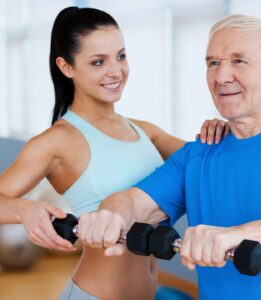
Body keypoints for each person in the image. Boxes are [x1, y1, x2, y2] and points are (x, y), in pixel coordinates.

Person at [0, 6, 227, 300]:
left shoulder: (146, 132)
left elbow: (210, 164)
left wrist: (218, 130)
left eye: (121, 56)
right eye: (98, 62)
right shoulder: (57, 141)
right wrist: (24, 210)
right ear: (66, 67)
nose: (116, 71)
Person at [76, 14, 261, 299]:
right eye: (213, 63)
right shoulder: (198, 153)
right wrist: (111, 215)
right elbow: (133, 202)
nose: (221, 76)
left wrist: (233, 235)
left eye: (238, 61)